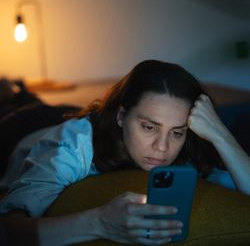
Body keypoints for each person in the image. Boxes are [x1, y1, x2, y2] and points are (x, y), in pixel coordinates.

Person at [0, 60, 250, 246]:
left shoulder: (191, 142)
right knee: (12, 102)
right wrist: (98, 222)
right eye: (149, 127)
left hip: (98, 119)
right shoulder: (71, 147)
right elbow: (8, 229)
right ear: (122, 116)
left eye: (176, 132)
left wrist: (220, 133)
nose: (162, 148)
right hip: (27, 128)